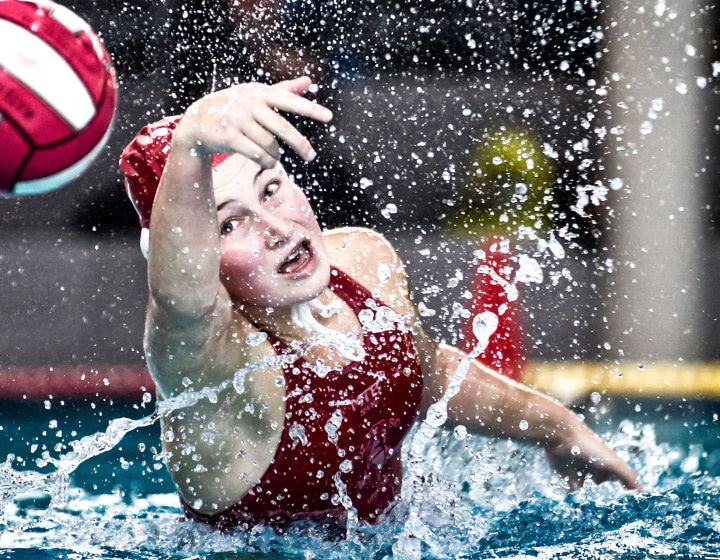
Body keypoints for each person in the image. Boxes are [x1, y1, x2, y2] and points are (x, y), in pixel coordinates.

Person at [119, 76, 640, 530]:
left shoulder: (364, 260)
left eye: (272, 189)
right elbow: (180, 300)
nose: (277, 229)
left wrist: (561, 429)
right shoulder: (211, 367)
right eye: (229, 223)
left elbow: (428, 371)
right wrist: (189, 142)